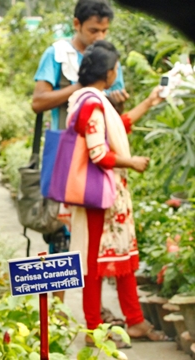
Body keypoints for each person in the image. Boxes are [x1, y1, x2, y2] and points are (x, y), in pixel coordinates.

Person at [67, 40, 167, 346]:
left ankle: (134, 321)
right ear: (108, 74)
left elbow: (118, 128)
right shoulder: (93, 104)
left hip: (105, 197)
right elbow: (100, 154)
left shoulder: (84, 99)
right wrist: (132, 162)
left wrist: (149, 102)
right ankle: (94, 329)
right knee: (95, 265)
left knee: (120, 258)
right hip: (100, 199)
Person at [31, 0, 127, 303]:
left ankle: (92, 314)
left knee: (95, 239)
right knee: (62, 233)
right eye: (93, 30)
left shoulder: (109, 57)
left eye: (104, 30)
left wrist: (118, 102)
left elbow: (114, 108)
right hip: (66, 155)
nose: (99, 36)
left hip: (99, 157)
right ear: (76, 25)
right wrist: (81, 87)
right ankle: (57, 311)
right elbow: (38, 101)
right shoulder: (57, 55)